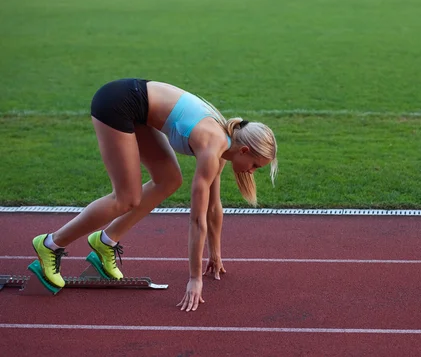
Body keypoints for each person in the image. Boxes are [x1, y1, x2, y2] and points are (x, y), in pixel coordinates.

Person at [31, 78, 278, 311]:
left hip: (137, 107)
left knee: (169, 181)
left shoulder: (223, 146)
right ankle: (51, 244)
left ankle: (105, 241)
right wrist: (194, 278)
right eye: (256, 166)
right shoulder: (214, 148)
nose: (252, 172)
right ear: (244, 150)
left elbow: (214, 207)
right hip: (118, 103)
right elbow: (197, 219)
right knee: (126, 198)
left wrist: (215, 254)